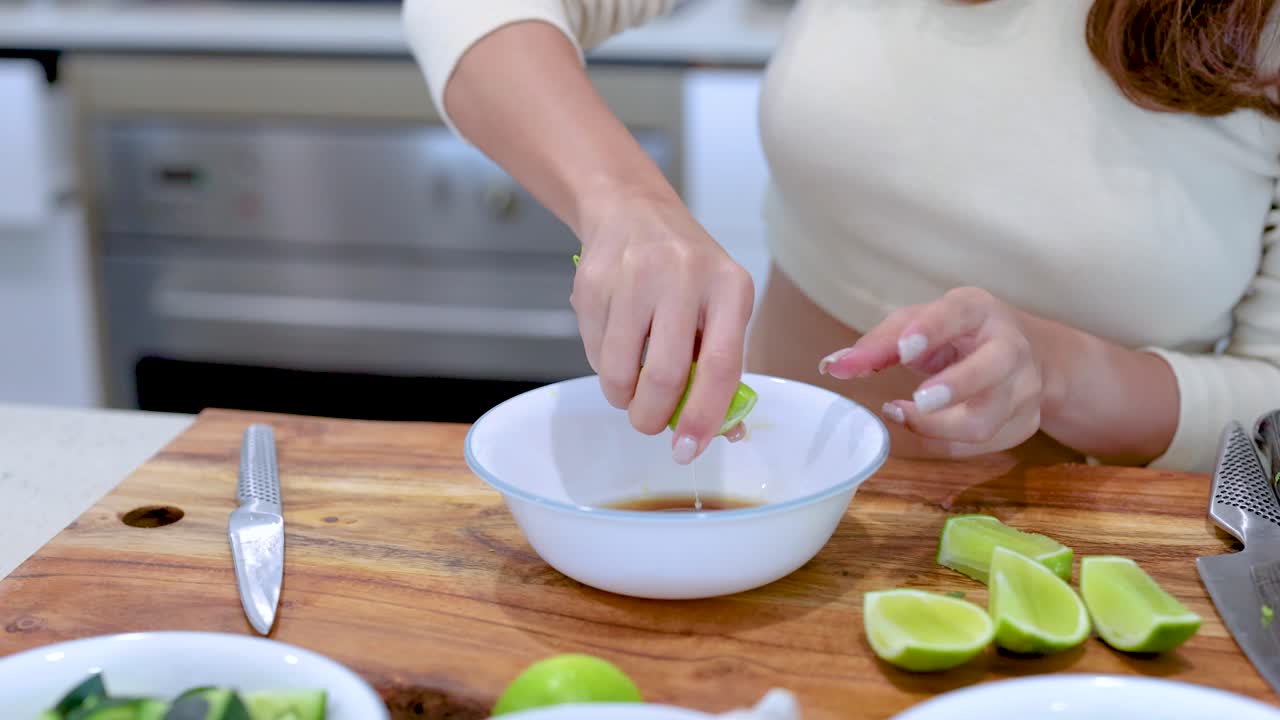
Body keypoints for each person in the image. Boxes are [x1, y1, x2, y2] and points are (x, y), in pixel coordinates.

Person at [402, 0, 1280, 473]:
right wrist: (623, 201)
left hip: (1101, 565)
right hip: (769, 501)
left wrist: (1058, 372)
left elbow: (1269, 398)